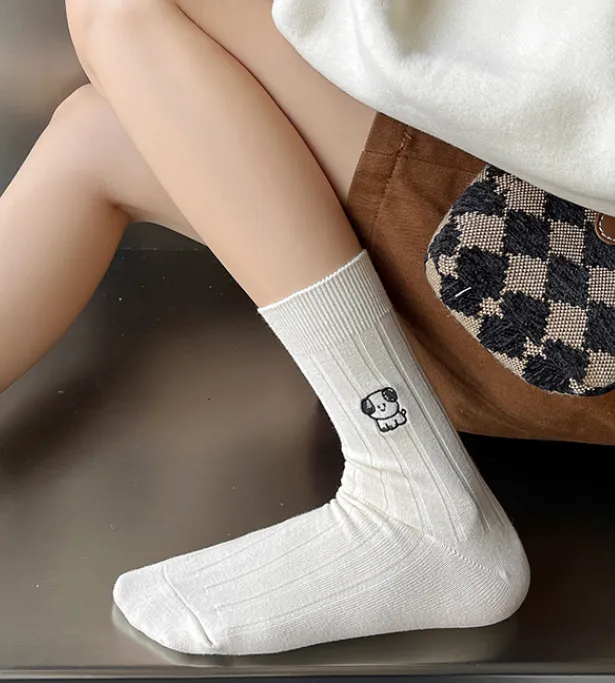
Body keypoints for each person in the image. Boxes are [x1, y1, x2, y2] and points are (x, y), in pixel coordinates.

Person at [0, 0, 529, 656]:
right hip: (503, 255)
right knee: (100, 134)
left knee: (124, 9)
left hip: (561, 294)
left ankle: (415, 491)